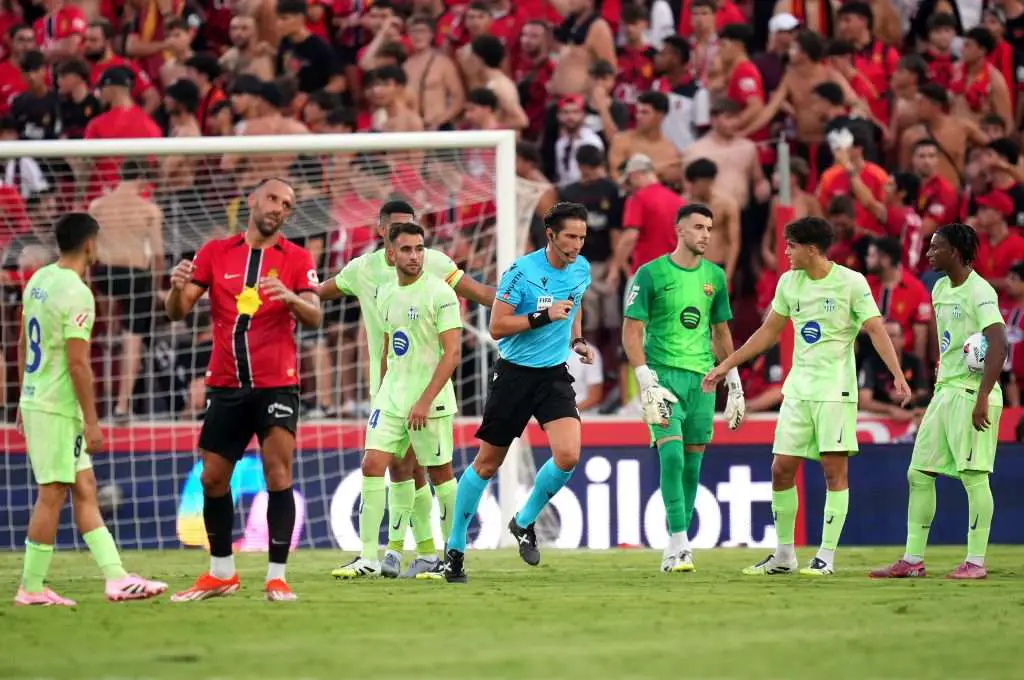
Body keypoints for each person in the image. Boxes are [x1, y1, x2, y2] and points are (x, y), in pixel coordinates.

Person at [703, 216, 911, 576]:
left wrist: (897, 374)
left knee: (834, 471)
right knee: (781, 469)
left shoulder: (851, 282)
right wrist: (727, 364)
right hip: (798, 391)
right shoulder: (789, 282)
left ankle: (826, 556)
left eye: (792, 246)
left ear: (812, 250)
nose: (785, 252)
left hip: (835, 391)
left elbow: (876, 330)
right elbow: (768, 332)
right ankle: (784, 556)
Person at [317, 201, 494, 578]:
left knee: (435, 473)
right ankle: (374, 556)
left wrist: (521, 308)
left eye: (419, 248)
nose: (414, 255)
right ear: (387, 242)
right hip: (391, 394)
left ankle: (446, 555)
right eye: (406, 247)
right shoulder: (376, 284)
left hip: (430, 398)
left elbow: (454, 350)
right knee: (379, 464)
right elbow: (386, 345)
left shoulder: (440, 289)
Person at [164, 178, 322, 602]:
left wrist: (290, 298)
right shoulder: (215, 252)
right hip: (226, 383)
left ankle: (277, 576)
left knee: (278, 473)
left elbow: (315, 316)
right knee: (213, 478)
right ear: (252, 200)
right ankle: (221, 574)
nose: (278, 208)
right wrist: (176, 288)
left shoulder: (296, 258)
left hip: (277, 385)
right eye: (272, 199)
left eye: (286, 205)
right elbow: (177, 312)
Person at [15, 213, 166, 606]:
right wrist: (93, 422)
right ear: (89, 244)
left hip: (39, 398)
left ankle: (116, 578)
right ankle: (31, 587)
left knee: (85, 488)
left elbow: (21, 340)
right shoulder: (78, 292)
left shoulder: (39, 279)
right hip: (57, 407)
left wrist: (23, 393)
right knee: (52, 493)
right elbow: (78, 364)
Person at [442, 202, 594, 583]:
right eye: (571, 237)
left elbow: (575, 303)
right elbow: (496, 326)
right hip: (514, 375)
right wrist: (543, 316)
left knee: (568, 455)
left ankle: (524, 521)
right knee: (487, 463)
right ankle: (455, 548)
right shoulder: (521, 272)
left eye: (582, 237)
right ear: (551, 235)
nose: (577, 244)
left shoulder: (581, 268)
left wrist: (577, 339)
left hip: (553, 375)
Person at [871, 224, 1008, 580]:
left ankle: (975, 562)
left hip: (972, 393)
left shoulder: (980, 291)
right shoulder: (940, 289)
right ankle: (912, 560)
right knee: (918, 473)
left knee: (974, 477)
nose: (929, 253)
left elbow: (998, 342)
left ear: (956, 252)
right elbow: (946, 341)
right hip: (945, 391)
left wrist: (983, 396)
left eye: (936, 248)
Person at [622, 204, 743, 573]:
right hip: (663, 380)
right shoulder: (651, 273)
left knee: (692, 467)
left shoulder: (715, 277)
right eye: (698, 227)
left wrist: (733, 379)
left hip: (703, 382)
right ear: (679, 230)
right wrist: (644, 376)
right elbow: (631, 331)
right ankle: (680, 544)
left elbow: (720, 331)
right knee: (672, 457)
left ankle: (676, 545)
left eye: (709, 228)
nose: (706, 234)